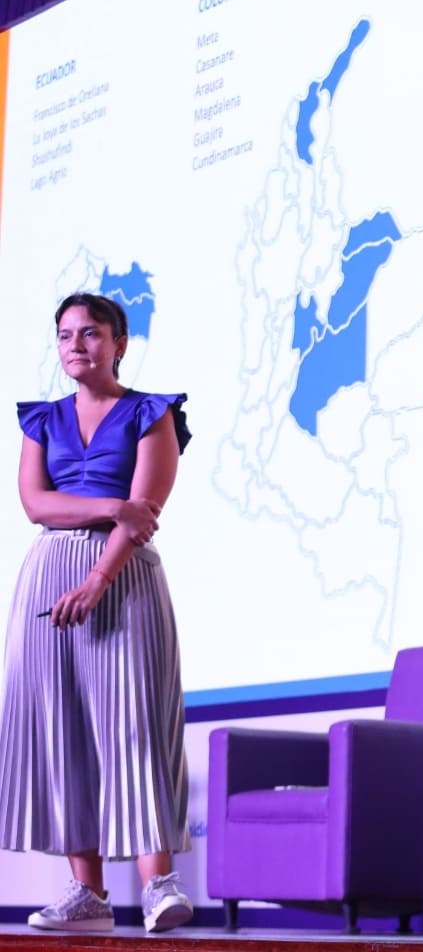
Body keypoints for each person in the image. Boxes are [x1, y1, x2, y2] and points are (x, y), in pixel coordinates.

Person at [0, 291, 194, 934]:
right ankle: (88, 893)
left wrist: (97, 577)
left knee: (136, 721)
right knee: (62, 729)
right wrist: (110, 506)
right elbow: (36, 504)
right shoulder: (41, 420)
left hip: (123, 575)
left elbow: (144, 512)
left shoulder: (151, 413)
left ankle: (158, 884)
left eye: (89, 333)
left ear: (119, 343)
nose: (75, 345)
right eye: (64, 335)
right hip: (47, 574)